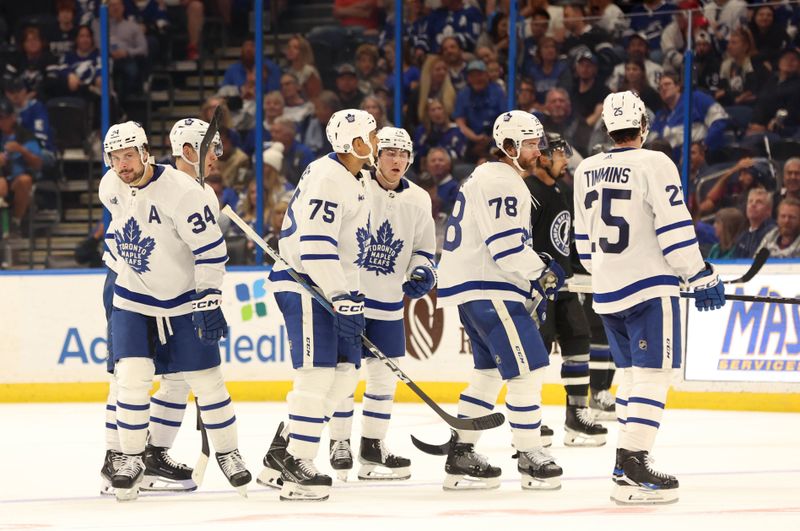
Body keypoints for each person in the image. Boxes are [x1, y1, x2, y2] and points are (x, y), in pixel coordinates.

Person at [572, 91, 726, 505]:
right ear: (644, 126)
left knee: (634, 377)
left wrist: (609, 270)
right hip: (649, 290)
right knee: (655, 376)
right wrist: (699, 274)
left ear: (605, 128)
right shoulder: (655, 162)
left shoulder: (585, 169)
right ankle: (634, 460)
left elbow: (584, 244)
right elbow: (675, 228)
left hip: (607, 291)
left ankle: (626, 469)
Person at [98, 120, 250, 501]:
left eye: (129, 155)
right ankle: (127, 457)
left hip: (182, 299)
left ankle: (228, 453)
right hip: (131, 294)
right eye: (115, 157)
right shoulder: (110, 186)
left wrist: (209, 298)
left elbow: (211, 251)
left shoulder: (183, 193)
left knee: (205, 380)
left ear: (146, 152)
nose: (122, 164)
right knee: (130, 377)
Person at [436, 111, 566, 491]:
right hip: (489, 287)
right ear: (508, 147)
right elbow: (507, 247)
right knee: (527, 369)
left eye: (537, 142)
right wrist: (541, 273)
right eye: (528, 143)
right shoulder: (502, 179)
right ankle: (529, 453)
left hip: (478, 287)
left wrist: (535, 271)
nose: (537, 150)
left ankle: (461, 455)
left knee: (488, 374)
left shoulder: (492, 177)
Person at [260, 109, 378, 502]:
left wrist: (352, 296)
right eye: (371, 135)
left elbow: (348, 249)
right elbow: (314, 247)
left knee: (345, 374)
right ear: (355, 143)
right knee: (316, 375)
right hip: (306, 285)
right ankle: (298, 463)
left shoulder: (353, 176)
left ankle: (282, 453)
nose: (376, 141)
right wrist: (343, 298)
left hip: (330, 290)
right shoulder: (330, 178)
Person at [326, 127, 436, 480]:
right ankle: (339, 441)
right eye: (390, 152)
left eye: (403, 154)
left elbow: (423, 249)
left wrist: (422, 271)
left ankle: (372, 448)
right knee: (345, 374)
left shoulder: (419, 198)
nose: (397, 160)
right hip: (352, 298)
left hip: (389, 301)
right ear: (375, 155)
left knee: (384, 378)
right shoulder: (356, 187)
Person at [526, 132, 607, 446]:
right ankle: (529, 419)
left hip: (565, 287)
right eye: (560, 155)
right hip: (538, 291)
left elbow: (566, 240)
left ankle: (576, 415)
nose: (565, 161)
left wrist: (585, 269)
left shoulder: (562, 190)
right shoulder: (528, 193)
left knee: (578, 340)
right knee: (537, 354)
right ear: (543, 157)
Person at [0, 98, 42, 236]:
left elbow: (38, 163)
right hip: (1, 180)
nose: (1, 121)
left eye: (3, 118)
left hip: (17, 181)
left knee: (25, 180)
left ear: (12, 117)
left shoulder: (25, 136)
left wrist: (21, 150)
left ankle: (15, 222)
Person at [732, 188, 775, 258]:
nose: (753, 204)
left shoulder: (772, 233)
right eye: (750, 201)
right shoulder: (743, 236)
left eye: (759, 202)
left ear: (768, 210)